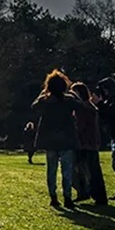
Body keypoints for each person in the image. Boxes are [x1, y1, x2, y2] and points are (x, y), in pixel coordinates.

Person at [31, 69, 82, 209]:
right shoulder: (69, 100)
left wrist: (43, 93)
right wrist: (71, 93)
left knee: (51, 170)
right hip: (66, 139)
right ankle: (68, 197)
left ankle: (53, 197)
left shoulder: (45, 101)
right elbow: (81, 105)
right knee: (67, 170)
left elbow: (33, 106)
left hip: (50, 140)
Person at [72, 82, 108, 205]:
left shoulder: (82, 108)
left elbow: (80, 127)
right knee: (92, 170)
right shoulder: (91, 107)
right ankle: (96, 195)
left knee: (82, 170)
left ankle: (87, 192)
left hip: (85, 143)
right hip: (91, 143)